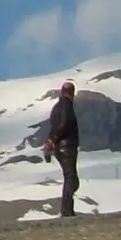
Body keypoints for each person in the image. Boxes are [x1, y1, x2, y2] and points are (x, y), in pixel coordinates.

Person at [44, 81, 81, 217]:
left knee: (70, 178)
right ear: (72, 93)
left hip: (59, 147)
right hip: (67, 146)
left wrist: (51, 141)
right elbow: (65, 123)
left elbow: (53, 126)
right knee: (71, 178)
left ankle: (67, 209)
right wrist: (54, 140)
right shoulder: (67, 105)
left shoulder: (56, 107)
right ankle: (66, 210)